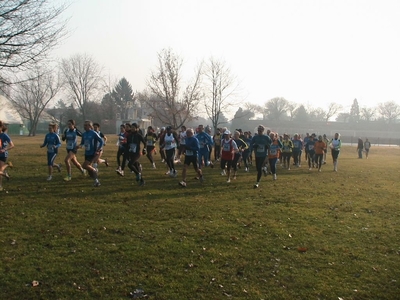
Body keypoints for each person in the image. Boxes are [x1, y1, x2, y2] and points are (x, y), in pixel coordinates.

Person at [78, 120, 104, 187]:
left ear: (90, 126)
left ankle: (94, 170)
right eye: (84, 125)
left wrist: (98, 149)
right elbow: (82, 143)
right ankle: (96, 181)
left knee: (84, 166)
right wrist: (79, 146)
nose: (85, 126)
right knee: (90, 172)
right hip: (87, 153)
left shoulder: (94, 133)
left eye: (86, 125)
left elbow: (101, 141)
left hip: (93, 153)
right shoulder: (83, 134)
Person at [0, 121, 15, 191]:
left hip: (3, 154)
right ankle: (5, 172)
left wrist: (5, 149)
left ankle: (0, 186)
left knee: (0, 170)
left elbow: (12, 145)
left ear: (1, 127)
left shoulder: (4, 135)